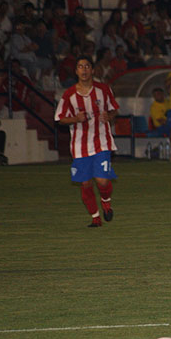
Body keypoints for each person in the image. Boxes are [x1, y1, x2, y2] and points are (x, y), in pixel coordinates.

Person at [54, 55, 119, 227]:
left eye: (87, 66)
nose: (84, 69)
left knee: (102, 180)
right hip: (79, 145)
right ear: (76, 71)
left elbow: (114, 110)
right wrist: (75, 119)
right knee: (85, 182)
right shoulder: (68, 95)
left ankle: (106, 202)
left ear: (92, 70)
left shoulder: (104, 89)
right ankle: (95, 217)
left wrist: (109, 115)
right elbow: (59, 119)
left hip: (102, 141)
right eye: (80, 67)